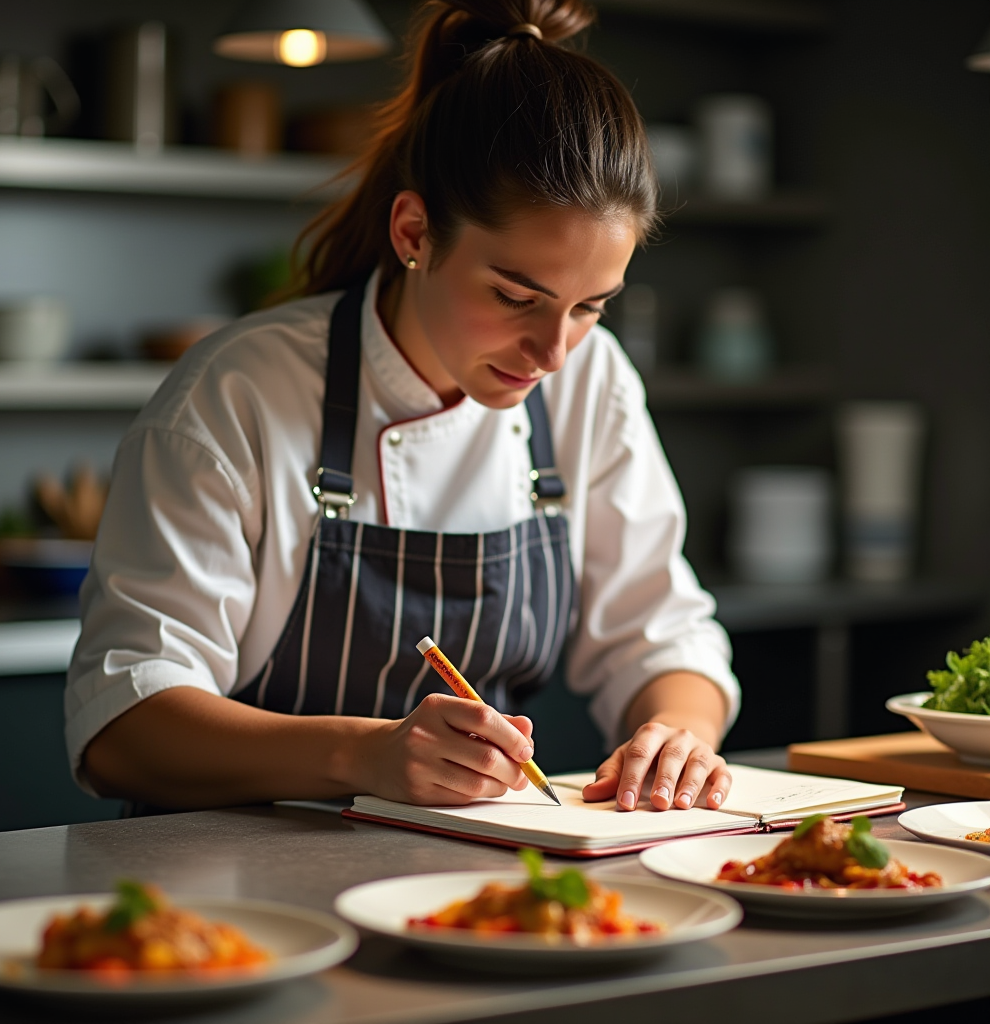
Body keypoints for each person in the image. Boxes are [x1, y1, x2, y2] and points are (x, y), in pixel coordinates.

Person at [67, 0, 740, 816]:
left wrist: (677, 734)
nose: (554, 352)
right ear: (415, 231)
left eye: (591, 306)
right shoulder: (238, 393)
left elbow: (662, 635)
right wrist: (365, 756)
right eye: (514, 296)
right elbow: (124, 726)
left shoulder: (589, 380)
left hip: (469, 868)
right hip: (229, 875)